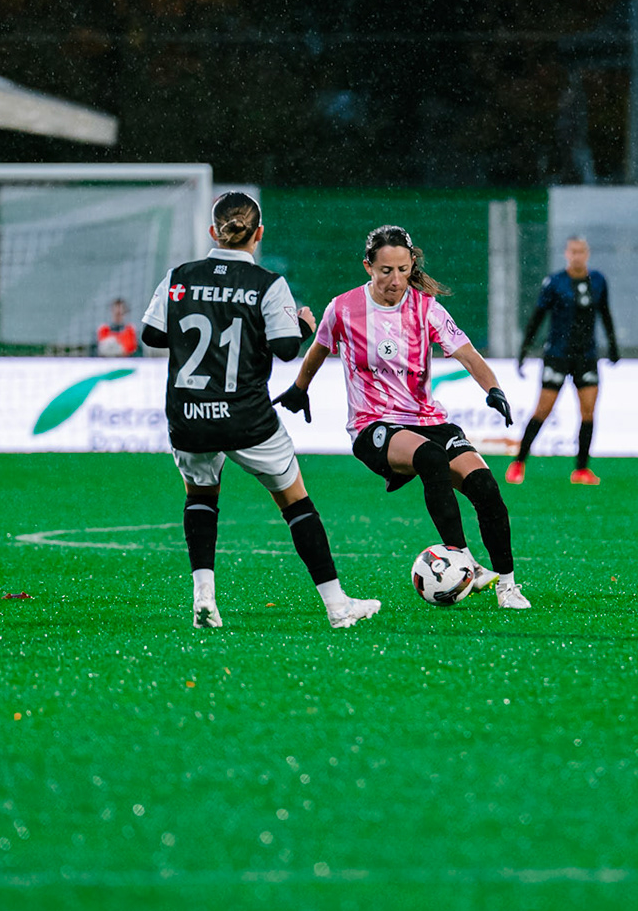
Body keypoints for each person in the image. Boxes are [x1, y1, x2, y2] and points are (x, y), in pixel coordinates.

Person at [140, 192, 379, 630]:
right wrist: (305, 325)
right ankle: (337, 605)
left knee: (200, 496)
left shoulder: (178, 277)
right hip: (246, 416)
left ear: (213, 232)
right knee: (295, 502)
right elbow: (287, 350)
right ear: (259, 233)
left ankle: (204, 599)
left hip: (188, 414)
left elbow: (153, 336)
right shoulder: (268, 284)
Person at [275, 224, 531, 609]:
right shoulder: (343, 308)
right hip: (372, 425)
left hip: (428, 419)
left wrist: (493, 388)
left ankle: (507, 586)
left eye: (402, 270)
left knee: (486, 489)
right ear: (368, 267)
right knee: (430, 457)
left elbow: (467, 354)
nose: (396, 280)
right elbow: (318, 348)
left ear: (412, 263)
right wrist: (299, 388)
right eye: (385, 271)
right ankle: (464, 562)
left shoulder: (426, 308)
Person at [506, 235, 618, 486]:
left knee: (588, 411)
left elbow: (606, 314)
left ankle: (580, 470)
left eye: (581, 251)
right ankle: (518, 463)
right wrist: (525, 350)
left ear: (586, 253)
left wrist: (613, 346)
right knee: (543, 410)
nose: (577, 255)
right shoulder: (555, 283)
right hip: (557, 356)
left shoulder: (598, 281)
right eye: (572, 251)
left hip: (587, 357)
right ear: (567, 254)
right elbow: (537, 317)